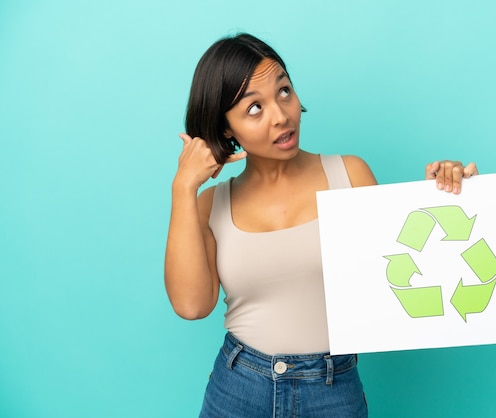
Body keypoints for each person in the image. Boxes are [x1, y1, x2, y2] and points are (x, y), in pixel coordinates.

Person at [164, 33, 478, 418]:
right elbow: (192, 305)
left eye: (284, 91)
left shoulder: (349, 174)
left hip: (332, 388)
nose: (281, 115)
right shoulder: (210, 205)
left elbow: (404, 268)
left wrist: (445, 193)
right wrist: (184, 186)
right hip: (239, 387)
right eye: (254, 108)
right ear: (226, 128)